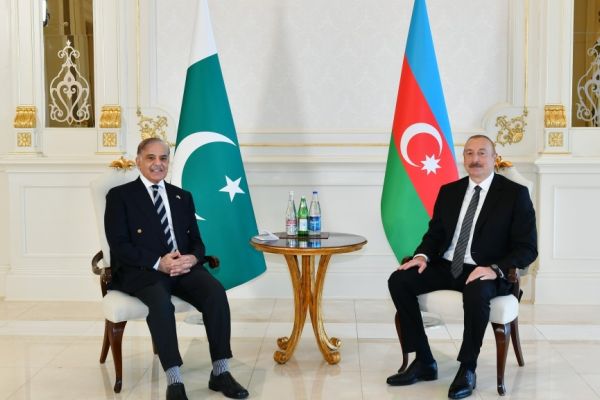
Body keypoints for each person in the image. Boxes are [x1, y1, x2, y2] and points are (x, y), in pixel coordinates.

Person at [386, 135, 537, 399]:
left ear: (494, 158)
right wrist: (421, 256)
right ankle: (424, 360)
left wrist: (495, 269)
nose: (475, 159)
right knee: (399, 280)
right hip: (448, 265)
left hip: (486, 270)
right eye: (469, 153)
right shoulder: (450, 191)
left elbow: (527, 248)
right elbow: (435, 234)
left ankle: (467, 368)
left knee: (477, 292)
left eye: (482, 153)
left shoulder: (514, 194)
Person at [104, 138, 249, 400]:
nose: (157, 164)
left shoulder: (182, 196)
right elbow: (119, 245)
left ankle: (220, 372)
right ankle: (174, 380)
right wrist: (158, 262)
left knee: (215, 292)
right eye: (151, 158)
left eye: (163, 158)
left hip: (183, 268)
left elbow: (197, 242)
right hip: (144, 270)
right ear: (138, 161)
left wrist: (192, 258)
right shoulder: (120, 196)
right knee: (160, 304)